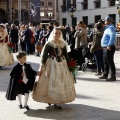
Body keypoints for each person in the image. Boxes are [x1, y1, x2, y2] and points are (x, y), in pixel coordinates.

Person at [32, 27, 76, 109]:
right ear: (53, 34)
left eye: (59, 33)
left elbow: (66, 55)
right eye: (56, 33)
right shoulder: (49, 43)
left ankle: (56, 100)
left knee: (59, 81)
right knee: (50, 80)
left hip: (62, 65)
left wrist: (70, 65)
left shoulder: (63, 44)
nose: (57, 35)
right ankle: (49, 98)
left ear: (61, 34)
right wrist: (42, 65)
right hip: (51, 64)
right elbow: (44, 55)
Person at [99, 16, 116, 81]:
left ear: (109, 21)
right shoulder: (107, 28)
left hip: (109, 47)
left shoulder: (111, 28)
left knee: (110, 62)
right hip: (105, 47)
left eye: (105, 21)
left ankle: (113, 76)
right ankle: (105, 74)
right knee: (105, 61)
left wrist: (109, 45)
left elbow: (112, 36)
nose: (104, 22)